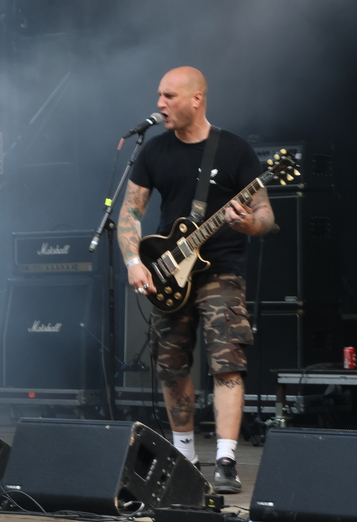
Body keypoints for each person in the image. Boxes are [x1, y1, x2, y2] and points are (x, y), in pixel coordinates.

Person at [117, 66, 274, 494]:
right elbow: (130, 212)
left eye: (169, 96)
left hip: (221, 268)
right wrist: (133, 261)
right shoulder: (153, 151)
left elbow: (265, 215)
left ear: (196, 99)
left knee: (227, 362)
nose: (160, 104)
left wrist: (249, 224)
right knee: (171, 366)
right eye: (159, 95)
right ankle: (184, 457)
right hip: (169, 271)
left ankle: (225, 460)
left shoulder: (234, 149)